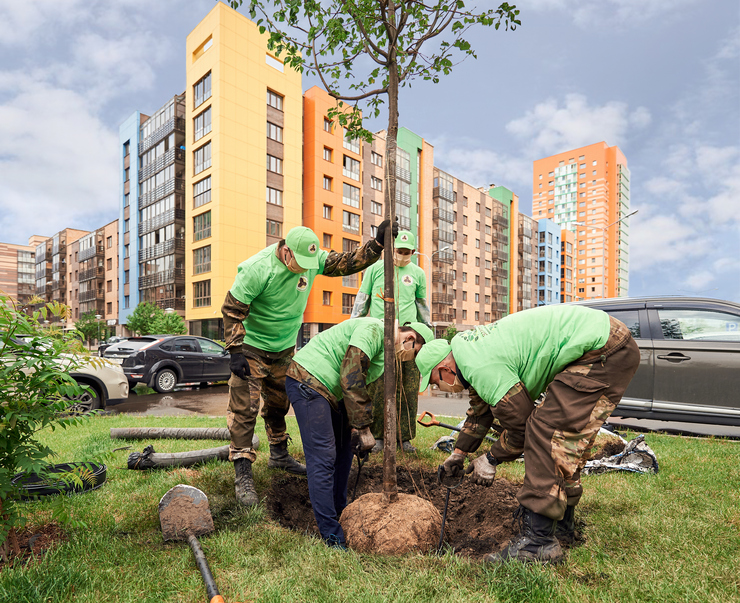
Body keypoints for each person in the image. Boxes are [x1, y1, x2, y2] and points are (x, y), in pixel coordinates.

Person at [416, 305, 640, 564]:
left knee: (545, 431)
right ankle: (562, 526)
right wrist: (458, 453)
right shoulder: (471, 354)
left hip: (602, 350)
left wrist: (490, 459)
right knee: (566, 437)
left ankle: (539, 543)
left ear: (445, 367)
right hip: (603, 343)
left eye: (434, 380)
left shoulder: (479, 367)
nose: (438, 386)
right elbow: (479, 414)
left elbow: (521, 428)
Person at [221, 221, 398, 507]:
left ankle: (279, 455)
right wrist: (235, 351)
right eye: (299, 263)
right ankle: (243, 473)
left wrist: (376, 245)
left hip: (285, 349)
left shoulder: (312, 259)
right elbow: (232, 310)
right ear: (286, 251)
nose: (304, 269)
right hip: (251, 349)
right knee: (245, 409)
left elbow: (346, 262)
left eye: (309, 264)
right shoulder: (257, 269)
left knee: (279, 404)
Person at [285, 318, 432, 548]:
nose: (411, 360)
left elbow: (362, 385)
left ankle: (340, 514)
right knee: (323, 456)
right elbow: (351, 375)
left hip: (334, 392)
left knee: (344, 452)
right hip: (309, 380)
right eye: (415, 354)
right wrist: (363, 427)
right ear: (410, 339)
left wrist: (357, 426)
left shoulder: (387, 351)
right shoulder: (375, 330)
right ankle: (331, 535)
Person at [351, 230, 431, 453]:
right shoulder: (376, 269)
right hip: (380, 336)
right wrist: (353, 326)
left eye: (407, 252)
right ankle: (377, 436)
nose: (402, 255)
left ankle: (403, 437)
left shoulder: (418, 273)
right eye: (399, 251)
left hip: (408, 338)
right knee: (377, 386)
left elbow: (422, 306)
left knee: (408, 386)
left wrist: (427, 333)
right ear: (390, 250)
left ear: (413, 252)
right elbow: (362, 300)